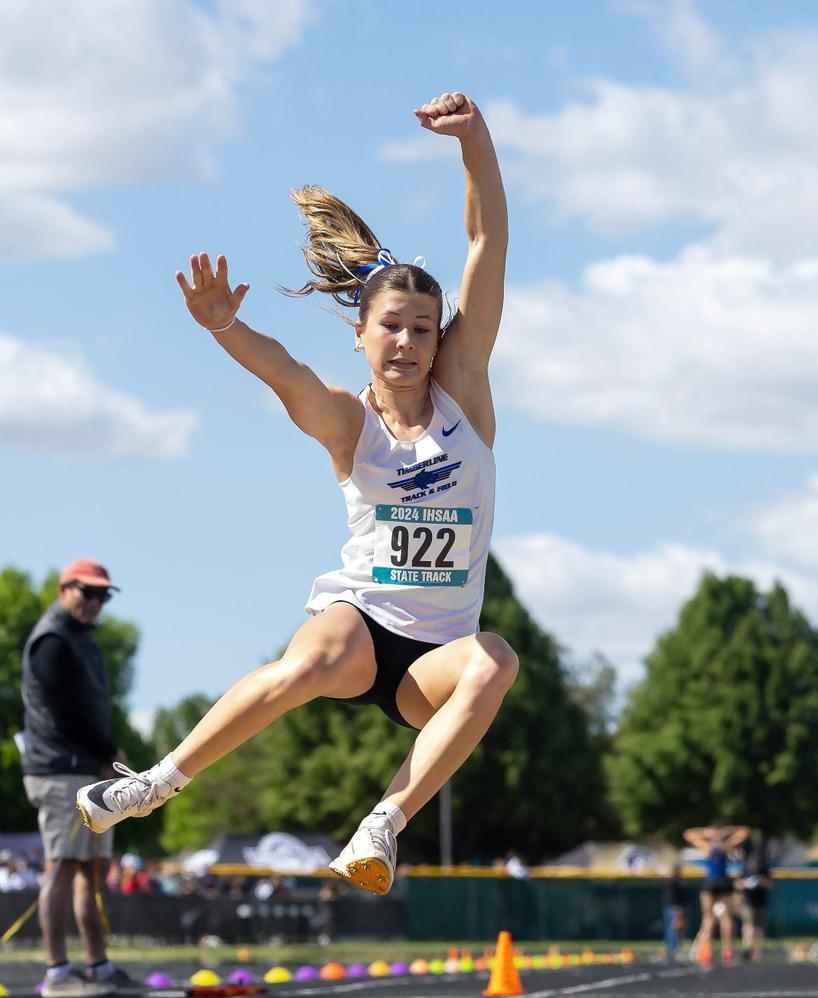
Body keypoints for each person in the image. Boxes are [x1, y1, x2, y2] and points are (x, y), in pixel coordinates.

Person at [78, 89, 516, 892]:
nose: (409, 342)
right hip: (363, 620)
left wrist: (475, 140)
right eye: (392, 326)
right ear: (361, 333)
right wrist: (222, 326)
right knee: (300, 668)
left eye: (424, 328)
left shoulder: (466, 396)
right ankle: (154, 783)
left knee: (496, 660)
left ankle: (381, 827)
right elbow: (285, 372)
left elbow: (487, 240)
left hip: (434, 658)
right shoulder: (350, 425)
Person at [21, 558, 133, 997]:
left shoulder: (81, 638)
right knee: (63, 865)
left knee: (91, 867)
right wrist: (107, 751)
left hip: (85, 767)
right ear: (62, 589)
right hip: (59, 770)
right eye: (87, 592)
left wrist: (103, 755)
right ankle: (57, 973)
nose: (95, 602)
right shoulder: (52, 640)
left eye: (103, 595)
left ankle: (99, 969)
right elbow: (61, 714)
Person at [683, 823, 750, 965]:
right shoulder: (725, 847)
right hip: (723, 883)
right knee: (725, 917)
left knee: (708, 919)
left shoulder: (708, 847)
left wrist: (707, 833)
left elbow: (688, 834)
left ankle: (707, 951)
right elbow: (743, 832)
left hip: (712, 883)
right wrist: (725, 832)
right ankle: (727, 951)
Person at [738, 854, 772, 962]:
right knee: (749, 926)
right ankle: (748, 949)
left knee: (759, 928)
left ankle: (758, 951)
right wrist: (745, 884)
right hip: (748, 903)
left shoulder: (764, 871)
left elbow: (770, 885)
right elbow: (737, 884)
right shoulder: (745, 872)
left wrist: (761, 882)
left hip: (760, 903)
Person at [662, 861, 686, 965]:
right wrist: (678, 909)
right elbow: (673, 897)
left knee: (672, 929)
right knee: (674, 929)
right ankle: (673, 950)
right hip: (674, 908)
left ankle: (671, 949)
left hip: (671, 907)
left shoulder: (674, 882)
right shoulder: (675, 882)